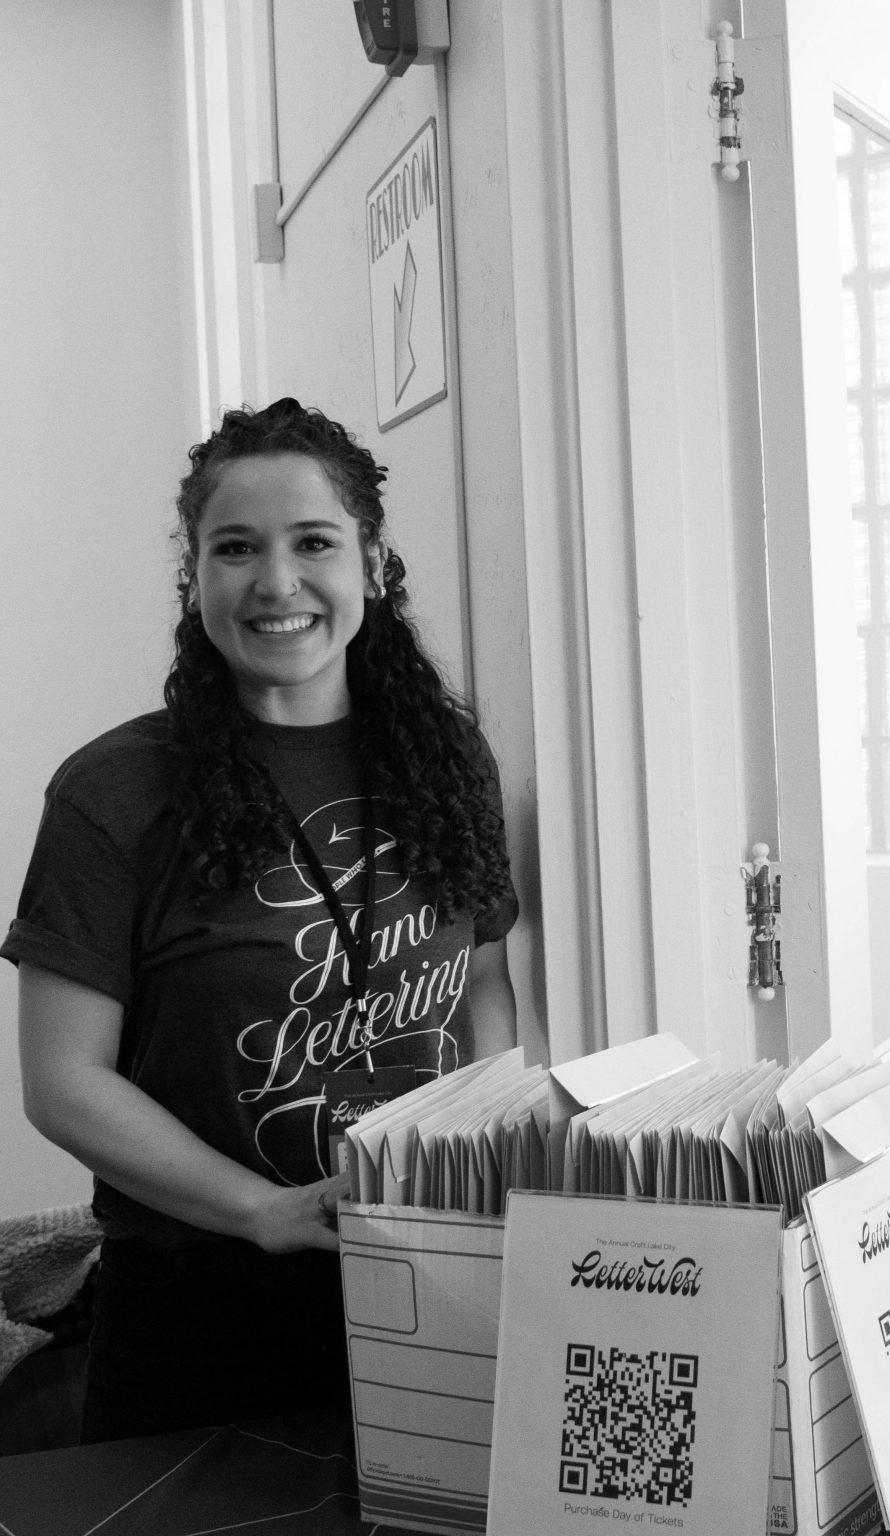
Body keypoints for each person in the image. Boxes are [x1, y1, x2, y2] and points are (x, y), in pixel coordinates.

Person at [4, 399, 518, 1440]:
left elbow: (481, 986)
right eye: (236, 548)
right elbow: (63, 1084)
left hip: (436, 1285)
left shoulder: (446, 760)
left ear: (374, 564)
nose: (277, 582)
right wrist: (263, 1210)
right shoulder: (112, 791)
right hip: (199, 1319)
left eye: (313, 542)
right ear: (193, 578)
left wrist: (483, 1148)